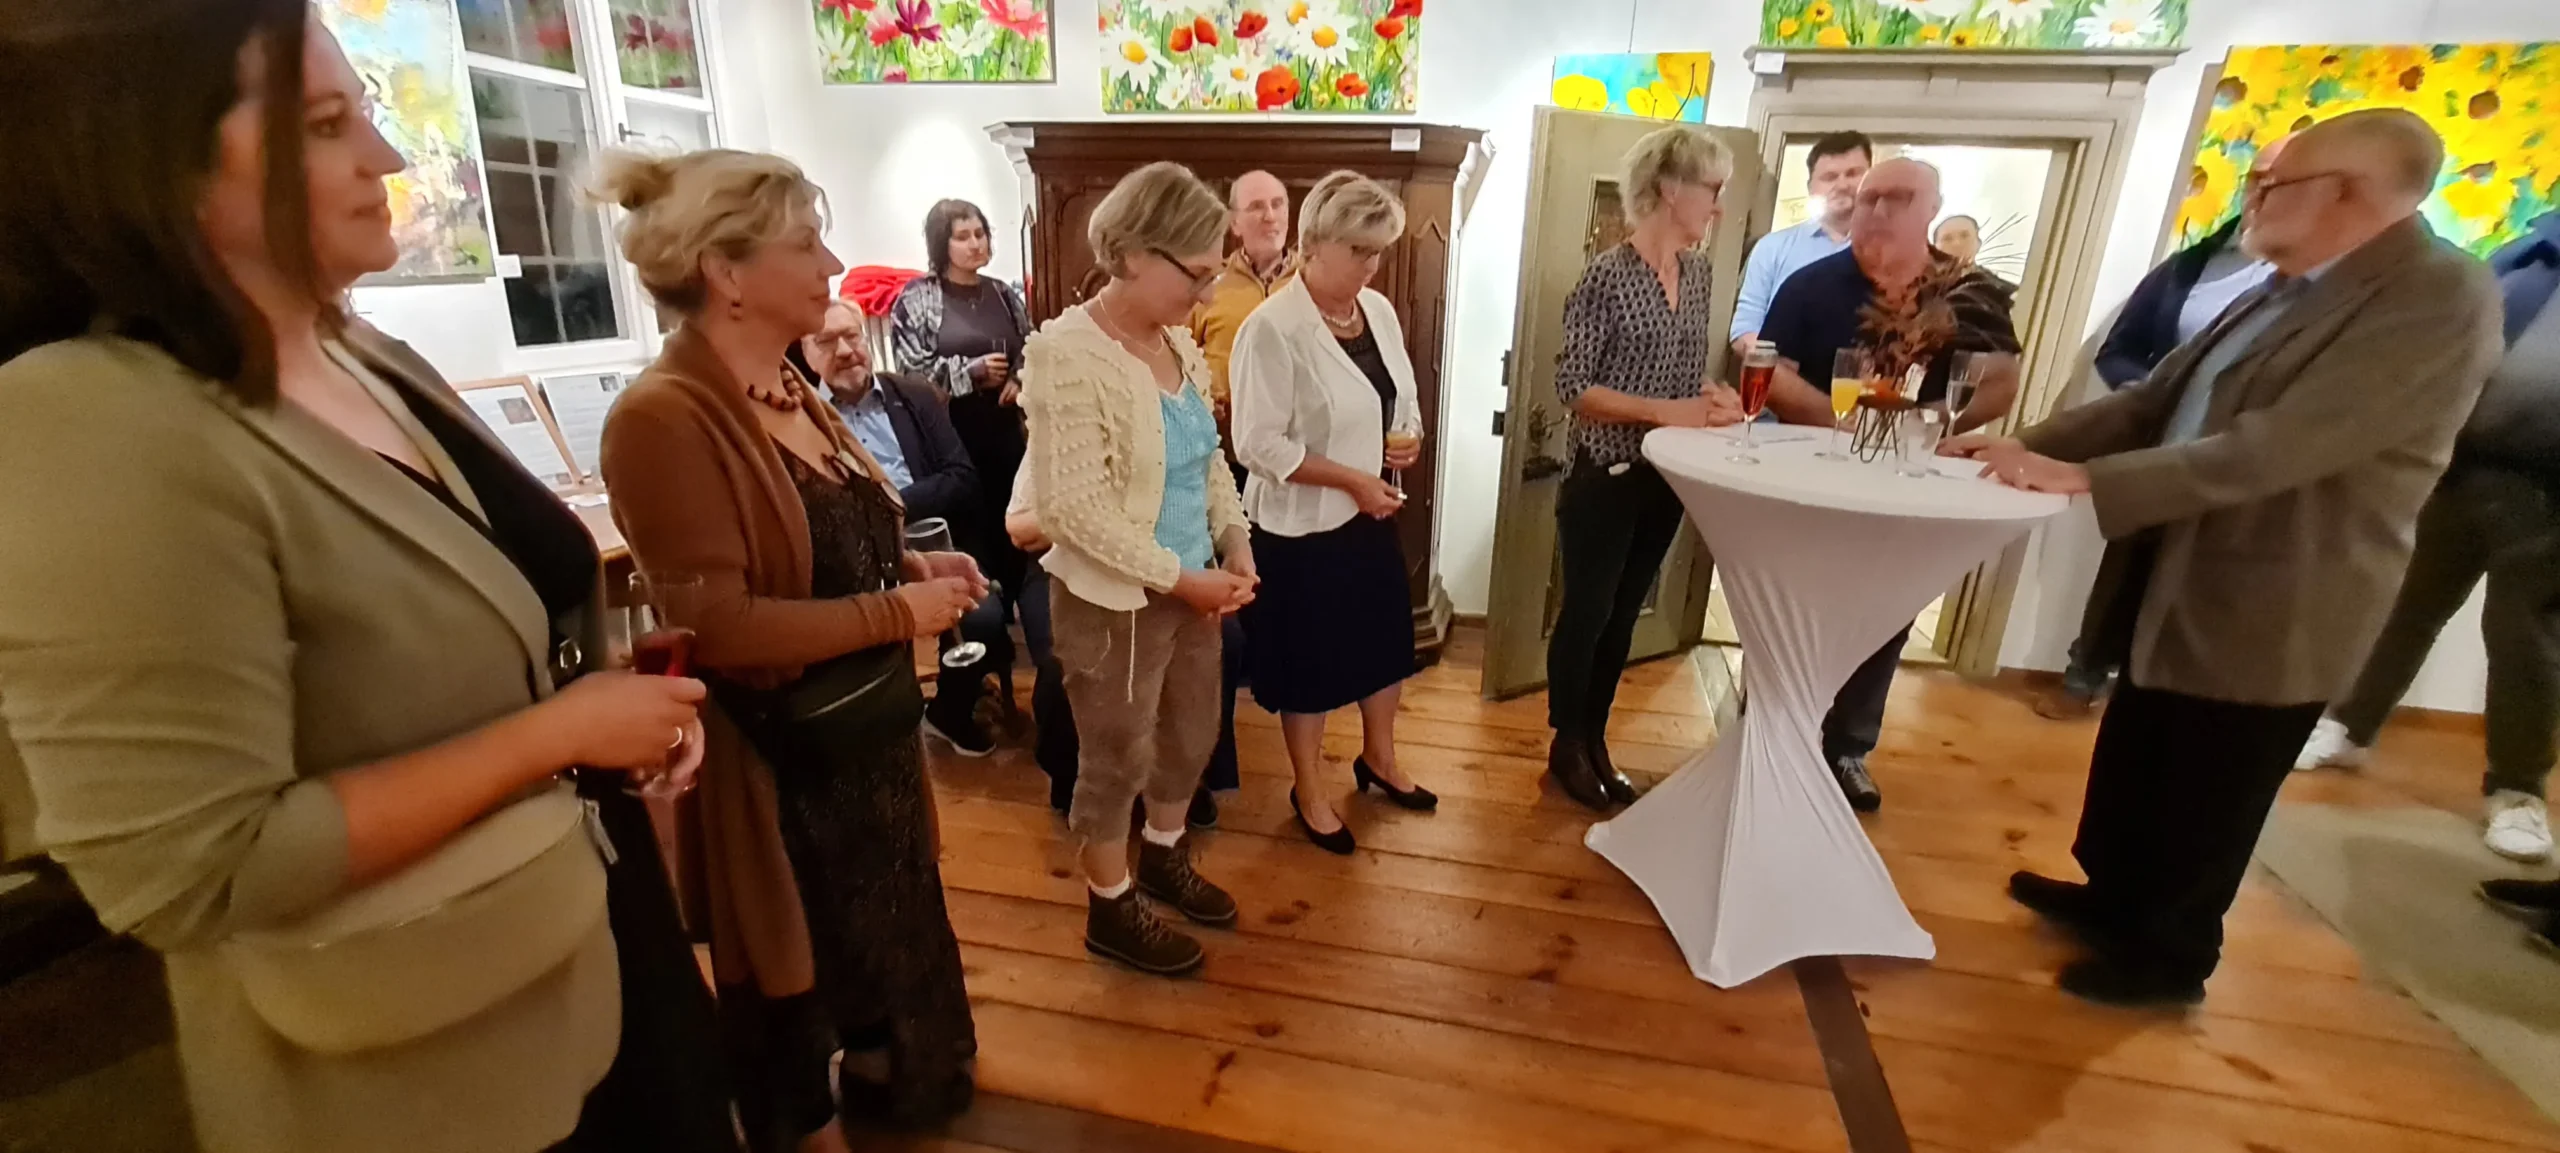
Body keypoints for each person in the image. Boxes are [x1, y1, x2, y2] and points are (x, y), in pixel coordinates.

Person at [0, 7, 727, 1152]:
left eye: (367, 114)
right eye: (328, 123)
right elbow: (196, 868)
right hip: (416, 1042)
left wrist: (600, 702)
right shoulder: (96, 421)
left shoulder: (366, 354)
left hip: (572, 926)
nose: (386, 157)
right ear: (145, 156)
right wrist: (557, 731)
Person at [1948, 109, 2504, 1006]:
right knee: (2145, 741)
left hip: (2283, 580)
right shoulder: (2282, 284)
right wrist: (2021, 447)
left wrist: (2084, 478)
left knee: (2215, 772)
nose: (2255, 197)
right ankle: (2112, 898)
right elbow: (2154, 400)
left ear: (2347, 192)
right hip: (2183, 557)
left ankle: (2170, 954)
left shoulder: (2439, 295)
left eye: (2274, 184)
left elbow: (2283, 445)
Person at [596, 149, 985, 1142]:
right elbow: (722, 627)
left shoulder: (786, 385)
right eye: (807, 243)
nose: (833, 263)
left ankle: (890, 1082)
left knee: (886, 956)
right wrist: (899, 615)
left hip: (865, 746)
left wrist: (910, 567)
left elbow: (820, 551)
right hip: (786, 772)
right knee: (807, 978)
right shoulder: (663, 417)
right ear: (726, 272)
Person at [1021, 161, 1259, 979]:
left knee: (1191, 735)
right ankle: (1110, 906)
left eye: (1214, 271)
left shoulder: (1178, 343)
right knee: (1115, 755)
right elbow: (1071, 512)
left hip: (1193, 585)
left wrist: (1234, 538)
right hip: (1114, 599)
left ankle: (1161, 854)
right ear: (1129, 253)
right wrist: (1182, 579)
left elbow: (1208, 461)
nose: (1207, 292)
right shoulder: (1066, 352)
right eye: (1195, 273)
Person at [1755, 158, 2023, 812]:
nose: (1875, 210)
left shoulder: (1969, 292)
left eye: (1896, 198)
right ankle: (1770, 731)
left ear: (1931, 208)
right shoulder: (1810, 284)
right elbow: (1773, 372)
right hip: (1814, 481)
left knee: (1887, 611)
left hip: (1910, 482)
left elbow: (2000, 382)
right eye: (1869, 198)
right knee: (1795, 604)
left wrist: (1920, 427)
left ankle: (1848, 746)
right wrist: (1842, 424)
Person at [2295, 209, 2560, 864]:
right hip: (2460, 469)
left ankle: (2517, 790)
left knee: (2525, 640)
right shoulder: (2527, 253)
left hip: (2550, 497)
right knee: (2402, 607)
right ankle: (2348, 726)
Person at [2038, 145, 2284, 720]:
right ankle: (2087, 675)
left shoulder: (2322, 290)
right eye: (2258, 178)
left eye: (2282, 182)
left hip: (2245, 479)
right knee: (2127, 571)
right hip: (2163, 448)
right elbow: (2124, 352)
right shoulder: (2191, 266)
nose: (2264, 193)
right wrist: (2153, 399)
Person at [1230, 171, 1436, 855]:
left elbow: (1399, 396)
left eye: (1379, 251)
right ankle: (1309, 791)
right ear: (1314, 242)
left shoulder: (1376, 310)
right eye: (1359, 250)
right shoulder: (1271, 329)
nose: (1371, 265)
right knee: (1310, 666)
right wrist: (1351, 478)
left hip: (1371, 511)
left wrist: (1405, 439)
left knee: (1385, 645)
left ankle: (1380, 757)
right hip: (1299, 529)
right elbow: (1256, 444)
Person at [1547, 125, 1748, 813]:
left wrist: (1715, 401)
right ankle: (1567, 743)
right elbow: (1574, 386)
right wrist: (1667, 412)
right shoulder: (1605, 276)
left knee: (1624, 614)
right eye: (1712, 189)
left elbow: (1685, 379)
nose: (1718, 205)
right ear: (1670, 189)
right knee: (1589, 613)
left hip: (1666, 480)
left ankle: (1595, 738)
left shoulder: (1700, 274)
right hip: (1604, 477)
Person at [802, 300, 1015, 757]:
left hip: (933, 540)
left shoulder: (916, 396)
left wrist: (885, 506)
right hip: (852, 559)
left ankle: (949, 712)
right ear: (806, 353)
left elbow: (961, 478)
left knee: (982, 617)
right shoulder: (803, 418)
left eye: (852, 336)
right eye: (826, 341)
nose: (845, 350)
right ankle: (886, 721)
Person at [890, 199, 1033, 591]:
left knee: (1011, 518)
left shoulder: (1002, 293)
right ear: (942, 244)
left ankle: (1017, 599)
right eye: (962, 237)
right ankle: (979, 599)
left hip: (1005, 427)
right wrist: (969, 373)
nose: (975, 244)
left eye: (980, 234)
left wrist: (1018, 378)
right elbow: (910, 372)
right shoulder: (917, 297)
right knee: (970, 522)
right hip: (951, 433)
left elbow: (1030, 345)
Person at [1731, 131, 1873, 355]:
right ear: (1810, 188)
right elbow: (1745, 330)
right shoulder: (1771, 248)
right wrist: (1781, 370)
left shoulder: (1891, 252)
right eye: (1829, 177)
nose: (1842, 184)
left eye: (1853, 173)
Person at [1193, 169, 1297, 440]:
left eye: (1278, 204)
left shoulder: (1313, 281)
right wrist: (1202, 394)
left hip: (1299, 439)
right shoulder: (1208, 281)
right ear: (1235, 224)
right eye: (1256, 207)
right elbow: (1174, 354)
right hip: (1223, 439)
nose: (1270, 216)